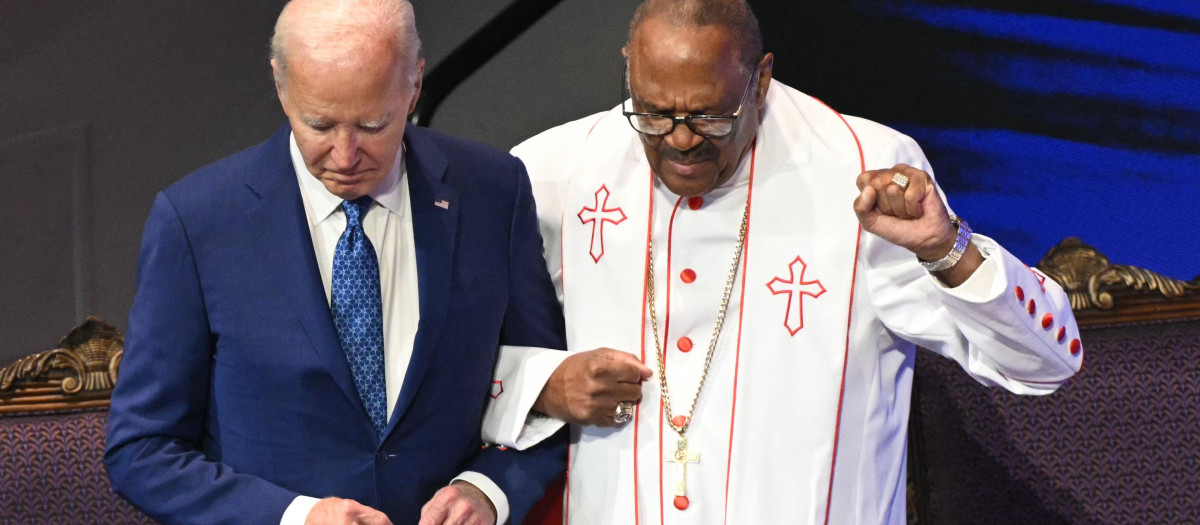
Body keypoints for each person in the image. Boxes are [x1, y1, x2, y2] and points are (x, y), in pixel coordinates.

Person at [481, 0, 1083, 523]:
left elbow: (1045, 365)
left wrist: (945, 248)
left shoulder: (863, 165)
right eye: (654, 112)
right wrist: (541, 385)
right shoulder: (553, 169)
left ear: (761, 80)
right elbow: (440, 365)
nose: (681, 139)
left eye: (711, 115)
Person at [103, 1, 566, 524]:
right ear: (280, 85)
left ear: (414, 85)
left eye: (372, 125)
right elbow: (141, 451)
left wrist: (488, 489)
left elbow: (547, 392)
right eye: (319, 124)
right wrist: (296, 517)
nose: (345, 157)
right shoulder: (198, 221)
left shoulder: (492, 192)